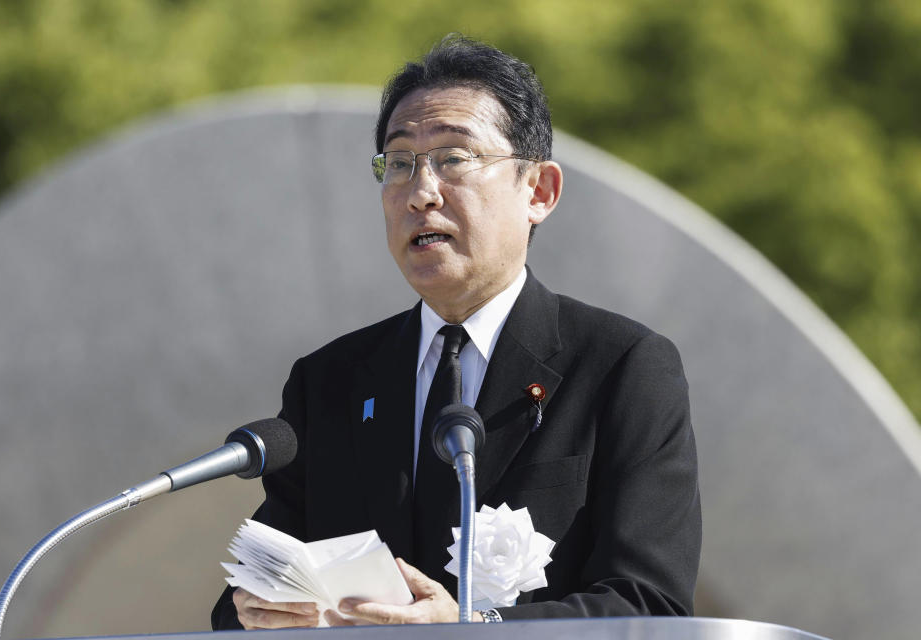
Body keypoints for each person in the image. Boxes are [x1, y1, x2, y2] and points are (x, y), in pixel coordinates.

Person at [212, 35, 700, 629]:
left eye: (453, 159)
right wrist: (258, 610)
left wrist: (472, 630)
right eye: (399, 164)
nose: (420, 192)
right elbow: (245, 598)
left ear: (538, 191)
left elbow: (649, 608)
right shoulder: (330, 380)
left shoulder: (621, 365)